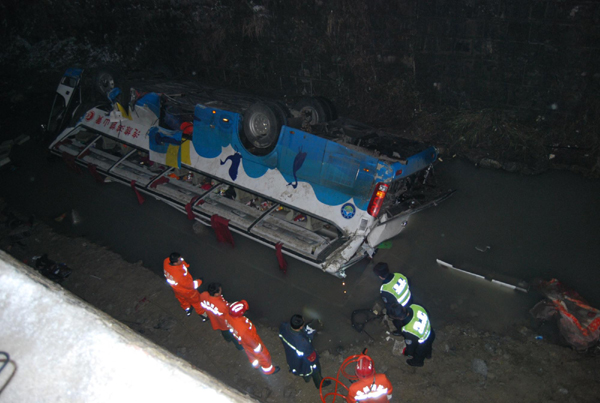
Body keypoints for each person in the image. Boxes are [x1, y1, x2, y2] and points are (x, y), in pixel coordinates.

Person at [226, 300, 280, 375]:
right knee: (264, 357)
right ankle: (269, 370)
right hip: (252, 344)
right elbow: (250, 341)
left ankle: (256, 365)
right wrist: (258, 348)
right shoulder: (243, 329)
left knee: (251, 355)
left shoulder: (229, 317)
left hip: (244, 344)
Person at [279, 314, 331, 389]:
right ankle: (319, 384)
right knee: (314, 368)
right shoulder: (302, 342)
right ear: (300, 327)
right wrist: (310, 335)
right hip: (302, 359)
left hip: (291, 355)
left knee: (298, 368)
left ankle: (306, 378)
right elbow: (309, 353)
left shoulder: (284, 326)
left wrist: (304, 331)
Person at [388, 302, 435, 367]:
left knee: (419, 353)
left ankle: (417, 363)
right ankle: (428, 355)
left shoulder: (408, 329)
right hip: (430, 332)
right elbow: (428, 314)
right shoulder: (415, 306)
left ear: (399, 318)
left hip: (423, 341)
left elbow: (411, 346)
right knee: (429, 346)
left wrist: (408, 353)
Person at [198, 283, 242, 350]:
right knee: (233, 335)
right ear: (216, 294)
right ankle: (239, 346)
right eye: (220, 291)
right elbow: (229, 311)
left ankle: (228, 339)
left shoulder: (203, 295)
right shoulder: (222, 306)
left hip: (214, 320)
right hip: (225, 324)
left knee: (225, 333)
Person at [163, 252, 207, 320]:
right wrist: (200, 281)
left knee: (181, 299)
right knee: (196, 301)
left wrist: (184, 265)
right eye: (180, 260)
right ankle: (203, 314)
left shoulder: (166, 261)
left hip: (177, 289)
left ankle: (187, 308)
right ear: (175, 263)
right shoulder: (178, 275)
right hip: (187, 291)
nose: (182, 260)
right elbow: (190, 285)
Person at [373, 262, 412, 335]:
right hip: (410, 299)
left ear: (380, 276)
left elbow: (390, 306)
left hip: (402, 308)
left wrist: (389, 314)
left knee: (395, 320)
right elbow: (408, 282)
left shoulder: (385, 289)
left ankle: (401, 331)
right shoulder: (398, 275)